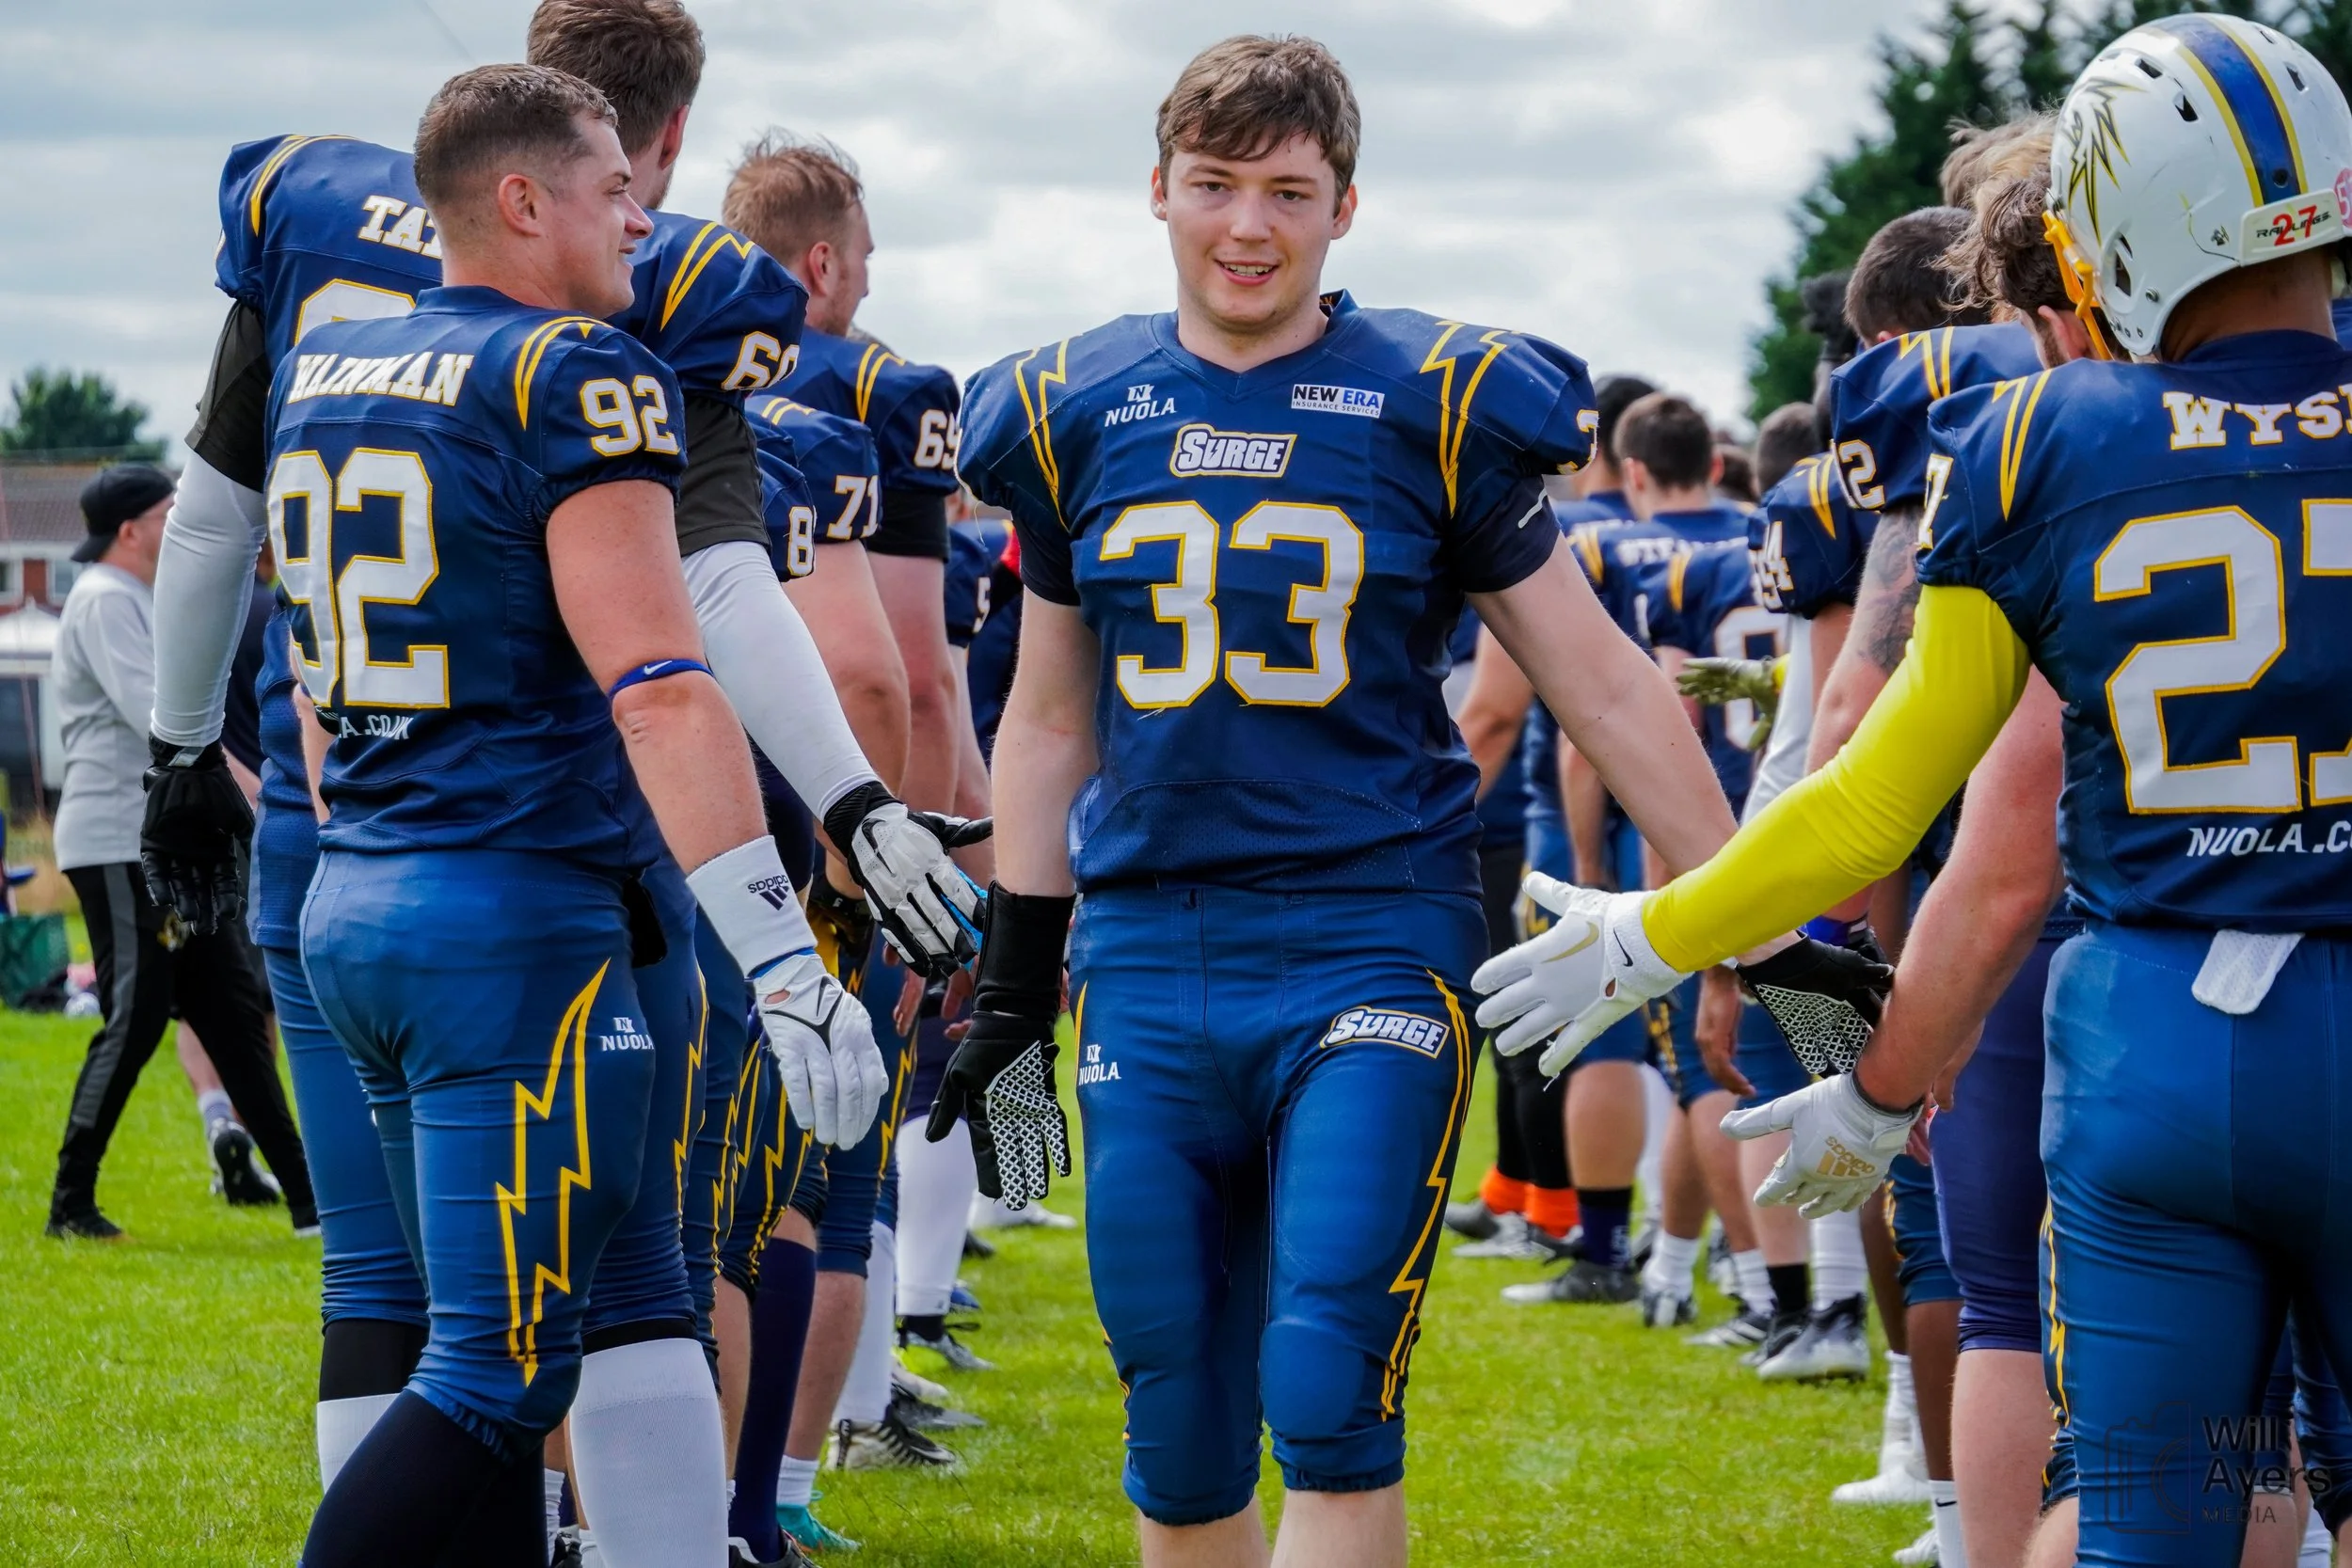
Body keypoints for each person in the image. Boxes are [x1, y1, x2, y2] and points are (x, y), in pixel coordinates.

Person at [944, 35, 1876, 1565]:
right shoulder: (1072, 406)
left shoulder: (1431, 399)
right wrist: (1008, 990)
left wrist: (1762, 927)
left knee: (1328, 1382)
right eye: (1215, 185)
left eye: (1287, 191)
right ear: (1158, 191)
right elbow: (1048, 720)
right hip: (1150, 951)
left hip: (1368, 936)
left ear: (1346, 205)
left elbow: (1606, 685)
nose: (1249, 225)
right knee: (1175, 1412)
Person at [1511, 18, 2352, 1566]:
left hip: (2158, 1045)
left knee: (2146, 1516)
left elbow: (1875, 798)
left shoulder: (2040, 437)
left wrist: (1656, 931)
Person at [267, 63, 891, 1567]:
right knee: (495, 1378)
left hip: (365, 893)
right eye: (612, 188)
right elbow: (664, 686)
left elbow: (306, 681)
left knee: (577, 1307)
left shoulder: (329, 364)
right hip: (515, 922)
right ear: (521, 200)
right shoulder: (575, 372)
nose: (640, 216)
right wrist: (784, 953)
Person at [44, 463, 312, 1243]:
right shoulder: (104, 598)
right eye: (170, 512)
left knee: (233, 1014)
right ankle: (70, 1204)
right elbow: (163, 721)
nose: (181, 523)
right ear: (130, 530)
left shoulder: (138, 598)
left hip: (169, 844)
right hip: (119, 842)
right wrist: (256, 794)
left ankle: (309, 1203)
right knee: (134, 1018)